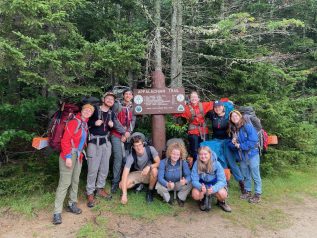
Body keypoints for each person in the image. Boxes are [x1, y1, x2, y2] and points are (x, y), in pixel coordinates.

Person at [52, 104, 94, 225]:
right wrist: (68, 157)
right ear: (82, 110)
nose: (87, 112)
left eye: (90, 111)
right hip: (69, 154)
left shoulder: (84, 124)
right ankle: (56, 212)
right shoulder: (74, 121)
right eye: (86, 109)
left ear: (91, 114)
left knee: (75, 180)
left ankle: (72, 204)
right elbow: (65, 140)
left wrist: (78, 154)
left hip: (79, 155)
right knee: (65, 182)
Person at [86, 92, 126, 208]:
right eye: (108, 98)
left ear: (113, 103)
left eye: (112, 100)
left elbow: (118, 125)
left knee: (104, 168)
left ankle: (100, 188)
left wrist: (124, 132)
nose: (110, 100)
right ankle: (90, 193)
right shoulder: (94, 109)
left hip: (106, 142)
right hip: (94, 142)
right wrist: (94, 123)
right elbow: (86, 121)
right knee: (93, 169)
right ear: (103, 99)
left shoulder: (111, 113)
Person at [204, 100, 245, 193]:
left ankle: (241, 182)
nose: (217, 108)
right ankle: (224, 181)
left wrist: (227, 101)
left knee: (231, 162)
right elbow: (203, 110)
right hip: (216, 142)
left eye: (219, 106)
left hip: (227, 141)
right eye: (215, 107)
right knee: (219, 161)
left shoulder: (228, 116)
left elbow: (230, 106)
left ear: (223, 107)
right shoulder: (212, 115)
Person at [227, 110, 262, 203]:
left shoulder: (247, 126)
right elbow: (231, 146)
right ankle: (247, 191)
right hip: (242, 156)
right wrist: (233, 142)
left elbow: (254, 140)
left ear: (240, 116)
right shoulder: (234, 129)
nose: (234, 117)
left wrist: (240, 146)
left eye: (236, 116)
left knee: (255, 175)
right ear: (230, 119)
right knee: (246, 175)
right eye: (232, 116)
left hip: (252, 154)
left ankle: (258, 194)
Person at [119, 135, 160, 204]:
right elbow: (124, 174)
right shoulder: (131, 156)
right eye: (136, 146)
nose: (139, 147)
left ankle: (150, 191)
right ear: (133, 147)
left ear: (143, 144)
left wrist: (149, 166)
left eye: (140, 145)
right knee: (121, 185)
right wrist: (124, 194)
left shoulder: (150, 149)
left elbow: (159, 162)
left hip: (149, 173)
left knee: (155, 170)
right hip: (138, 173)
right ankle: (139, 185)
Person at [174, 91, 213, 162]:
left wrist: (226, 101)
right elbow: (175, 113)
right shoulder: (186, 108)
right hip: (193, 132)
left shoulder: (204, 105)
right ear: (189, 99)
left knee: (206, 150)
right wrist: (181, 104)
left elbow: (215, 104)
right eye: (192, 97)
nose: (193, 98)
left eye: (195, 97)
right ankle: (196, 167)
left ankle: (206, 167)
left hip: (204, 131)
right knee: (194, 151)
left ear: (198, 98)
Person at [110, 88, 136, 193]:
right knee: (118, 158)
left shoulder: (133, 107)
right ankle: (115, 182)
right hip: (116, 134)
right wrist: (123, 132)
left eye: (130, 94)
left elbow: (133, 121)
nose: (128, 95)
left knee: (127, 158)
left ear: (132, 96)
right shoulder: (117, 105)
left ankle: (125, 180)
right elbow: (114, 119)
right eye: (126, 94)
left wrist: (128, 133)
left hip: (128, 136)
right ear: (123, 95)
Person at [191, 146, 231, 212]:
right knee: (195, 194)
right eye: (201, 154)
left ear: (210, 154)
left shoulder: (217, 164)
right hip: (202, 184)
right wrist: (200, 187)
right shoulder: (196, 163)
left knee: (223, 194)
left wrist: (214, 188)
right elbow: (194, 180)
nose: (203, 156)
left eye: (205, 154)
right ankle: (202, 199)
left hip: (214, 185)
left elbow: (222, 181)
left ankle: (221, 202)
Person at [156, 143, 192, 207]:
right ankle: (168, 199)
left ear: (180, 155)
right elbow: (160, 178)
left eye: (177, 154)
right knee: (158, 186)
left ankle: (180, 197)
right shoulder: (163, 162)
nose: (175, 156)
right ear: (170, 153)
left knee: (191, 183)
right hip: (168, 184)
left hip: (179, 183)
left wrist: (185, 181)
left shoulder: (183, 162)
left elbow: (189, 175)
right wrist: (167, 184)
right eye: (173, 154)